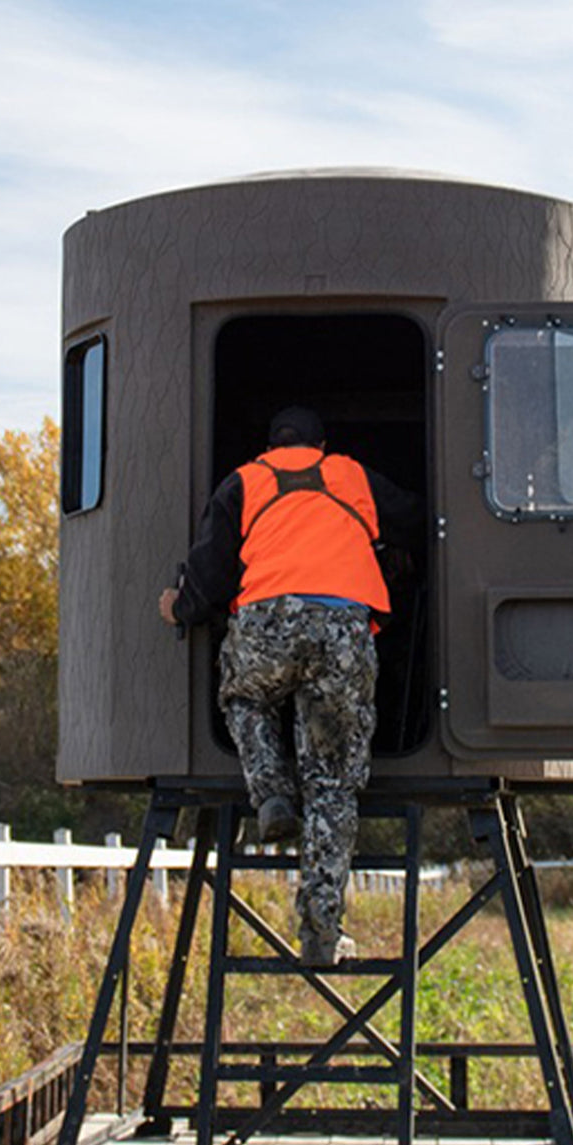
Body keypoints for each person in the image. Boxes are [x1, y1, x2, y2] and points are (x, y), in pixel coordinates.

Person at [158, 406, 422, 967]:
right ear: (320, 444)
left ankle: (272, 792)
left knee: (243, 695)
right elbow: (415, 518)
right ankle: (322, 932)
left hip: (266, 621)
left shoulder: (243, 481)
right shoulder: (351, 474)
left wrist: (178, 608)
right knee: (332, 782)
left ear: (271, 446)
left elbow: (208, 574)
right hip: (342, 629)